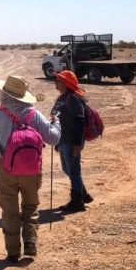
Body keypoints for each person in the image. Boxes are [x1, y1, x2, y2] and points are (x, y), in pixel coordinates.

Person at [0, 75, 60, 262]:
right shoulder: (34, 114)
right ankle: (30, 242)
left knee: (9, 209)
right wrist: (56, 123)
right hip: (31, 169)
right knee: (30, 205)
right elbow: (53, 139)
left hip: (5, 167)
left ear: (4, 93)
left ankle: (13, 251)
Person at [51, 70, 91, 212]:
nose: (55, 82)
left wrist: (78, 144)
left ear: (66, 83)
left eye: (58, 80)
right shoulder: (63, 96)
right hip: (63, 139)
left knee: (73, 170)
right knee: (67, 169)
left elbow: (80, 121)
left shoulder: (73, 98)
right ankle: (82, 194)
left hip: (71, 141)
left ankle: (77, 202)